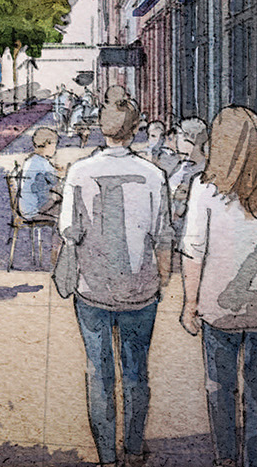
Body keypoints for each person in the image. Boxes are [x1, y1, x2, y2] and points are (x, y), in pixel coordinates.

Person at [59, 93, 171, 467]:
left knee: (99, 372)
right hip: (140, 288)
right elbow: (163, 236)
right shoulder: (154, 175)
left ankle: (107, 456)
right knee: (137, 371)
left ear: (100, 128)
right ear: (136, 129)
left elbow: (68, 230)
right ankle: (134, 449)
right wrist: (162, 279)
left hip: (92, 288)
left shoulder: (78, 172)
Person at [178, 106, 257, 467]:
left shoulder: (204, 189)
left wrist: (190, 304)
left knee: (219, 388)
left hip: (217, 309)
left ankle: (226, 458)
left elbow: (193, 251)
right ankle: (256, 459)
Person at [17, 127, 62, 219]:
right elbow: (56, 180)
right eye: (54, 146)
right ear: (47, 144)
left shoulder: (30, 160)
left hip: (25, 208)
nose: (55, 150)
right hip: (35, 211)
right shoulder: (43, 163)